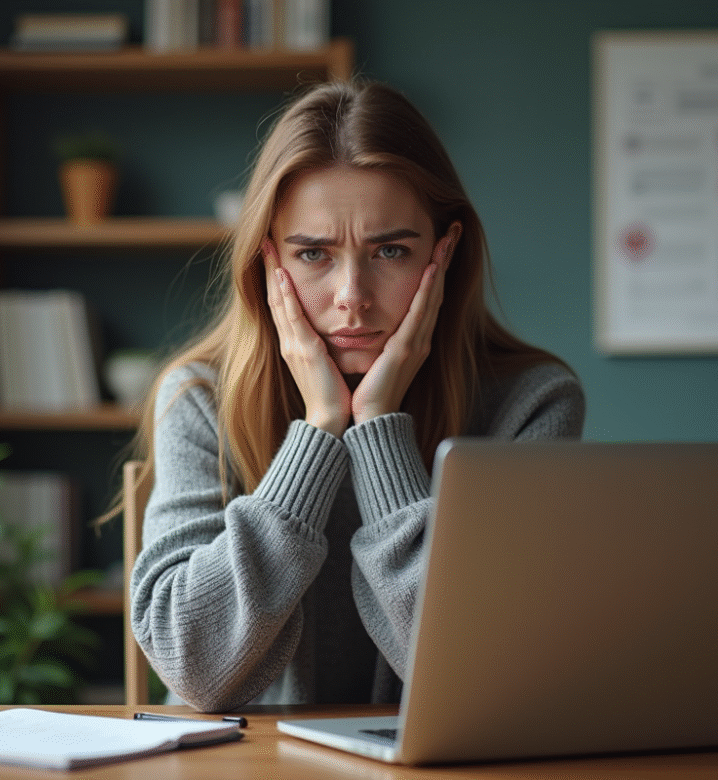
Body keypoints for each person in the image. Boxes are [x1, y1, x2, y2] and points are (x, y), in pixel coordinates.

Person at [127, 79, 584, 713]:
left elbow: (486, 677)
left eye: (391, 250)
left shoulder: (533, 404)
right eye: (313, 253)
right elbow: (194, 666)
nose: (352, 296)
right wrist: (317, 434)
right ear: (267, 262)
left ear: (445, 253)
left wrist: (377, 429)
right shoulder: (200, 399)